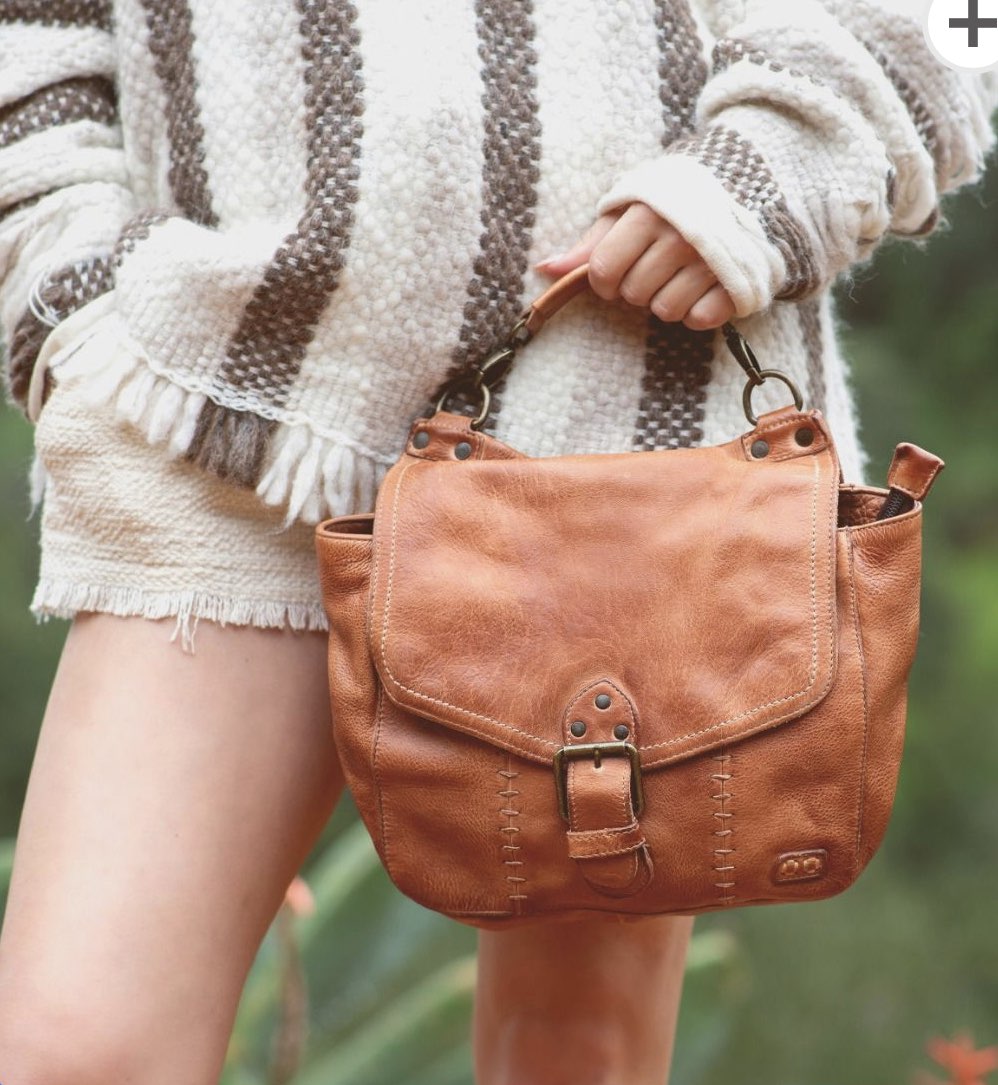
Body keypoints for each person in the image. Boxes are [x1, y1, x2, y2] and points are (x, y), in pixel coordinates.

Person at [0, 2, 995, 1082]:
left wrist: (780, 161)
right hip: (212, 403)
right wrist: (62, 288)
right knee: (77, 1053)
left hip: (635, 415)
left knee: (571, 1059)